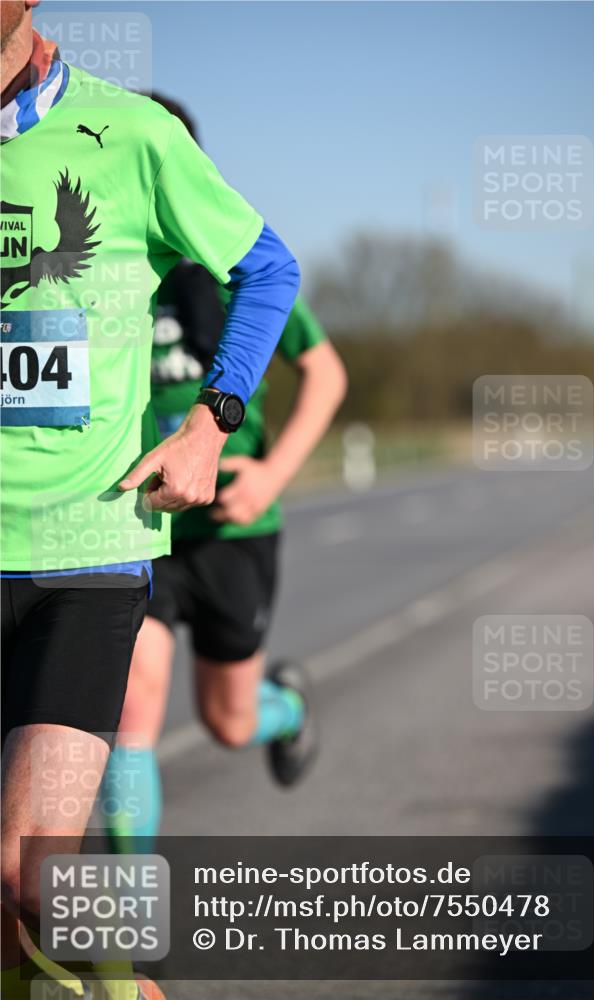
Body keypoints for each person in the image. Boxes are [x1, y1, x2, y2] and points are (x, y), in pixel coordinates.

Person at [0, 4, 300, 999]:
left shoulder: (131, 133)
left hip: (85, 544)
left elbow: (271, 269)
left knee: (28, 875)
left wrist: (212, 425)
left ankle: (121, 977)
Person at [101, 94, 347, 854]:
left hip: (233, 526)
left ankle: (287, 710)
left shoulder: (233, 265)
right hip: (139, 524)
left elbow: (326, 376)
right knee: (132, 712)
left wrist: (271, 475)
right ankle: (128, 939)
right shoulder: (104, 271)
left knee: (227, 721)